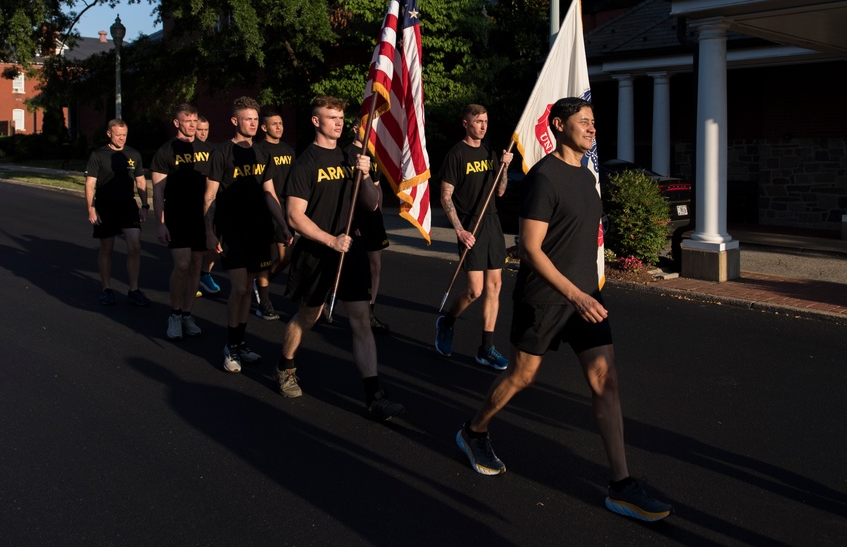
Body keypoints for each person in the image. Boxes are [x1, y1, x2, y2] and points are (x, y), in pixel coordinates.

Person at [455, 97, 673, 522]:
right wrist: (575, 295)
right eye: (584, 121)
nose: (593, 128)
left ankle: (621, 485)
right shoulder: (544, 177)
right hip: (548, 297)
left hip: (587, 297)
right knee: (523, 375)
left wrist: (588, 290)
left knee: (606, 382)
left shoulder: (587, 176)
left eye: (595, 121)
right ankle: (473, 430)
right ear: (558, 124)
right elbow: (531, 250)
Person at [274, 95, 404, 422]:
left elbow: (373, 204)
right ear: (316, 121)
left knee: (360, 319)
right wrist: (330, 240)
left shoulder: (352, 155)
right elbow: (294, 216)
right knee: (308, 316)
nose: (338, 122)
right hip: (320, 250)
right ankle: (286, 366)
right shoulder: (305, 163)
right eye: (331, 117)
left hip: (351, 248)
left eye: (340, 117)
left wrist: (367, 174)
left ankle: (374, 395)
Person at [204, 97, 292, 373]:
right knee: (240, 289)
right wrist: (209, 232)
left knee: (247, 288)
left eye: (256, 119)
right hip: (232, 230)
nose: (253, 124)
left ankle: (240, 342)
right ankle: (230, 346)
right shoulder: (221, 154)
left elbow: (270, 193)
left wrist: (284, 224)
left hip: (259, 230)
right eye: (247, 119)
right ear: (235, 121)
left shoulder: (262, 153)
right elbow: (209, 196)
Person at [436, 104, 513, 370]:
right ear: (466, 123)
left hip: (492, 223)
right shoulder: (456, 154)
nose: (483, 125)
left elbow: (500, 191)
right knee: (474, 290)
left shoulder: (490, 153)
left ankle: (486, 348)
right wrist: (459, 229)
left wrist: (503, 167)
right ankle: (447, 322)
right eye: (478, 121)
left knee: (494, 287)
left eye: (486, 121)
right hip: (469, 224)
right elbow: (445, 195)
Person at [150, 103, 210, 340]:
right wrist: (161, 222)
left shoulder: (207, 150)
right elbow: (157, 191)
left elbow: (214, 187)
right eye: (188, 121)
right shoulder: (165, 151)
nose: (193, 125)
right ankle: (174, 315)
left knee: (196, 265)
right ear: (177, 123)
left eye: (195, 121)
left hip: (202, 217)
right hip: (177, 215)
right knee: (182, 265)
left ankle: (187, 314)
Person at [84, 119, 151, 307]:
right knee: (107, 249)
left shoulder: (133, 154)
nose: (121, 138)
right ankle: (106, 288)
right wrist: (91, 208)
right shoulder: (98, 154)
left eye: (124, 135)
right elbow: (90, 183)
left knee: (135, 246)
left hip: (128, 207)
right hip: (105, 207)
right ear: (109, 134)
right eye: (118, 135)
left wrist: (145, 205)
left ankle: (134, 290)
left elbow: (140, 182)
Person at [254, 105, 296, 320]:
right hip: (264, 211)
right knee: (264, 256)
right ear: (264, 127)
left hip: (285, 211)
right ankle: (264, 300)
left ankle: (260, 284)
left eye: (280, 123)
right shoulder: (259, 151)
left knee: (284, 257)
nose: (279, 127)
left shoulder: (289, 150)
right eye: (274, 124)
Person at [348, 121, 390, 332]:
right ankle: (329, 297)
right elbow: (345, 192)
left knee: (376, 265)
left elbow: (376, 186)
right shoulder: (346, 154)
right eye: (364, 127)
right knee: (352, 266)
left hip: (373, 219)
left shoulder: (374, 155)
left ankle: (370, 311)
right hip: (354, 220)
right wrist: (352, 222)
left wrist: (379, 214)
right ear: (355, 129)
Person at [195, 114, 222, 296]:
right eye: (200, 130)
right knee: (196, 247)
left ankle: (205, 273)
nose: (203, 134)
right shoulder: (188, 149)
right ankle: (192, 279)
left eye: (206, 130)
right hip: (192, 203)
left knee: (217, 245)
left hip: (211, 202)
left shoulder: (214, 151)